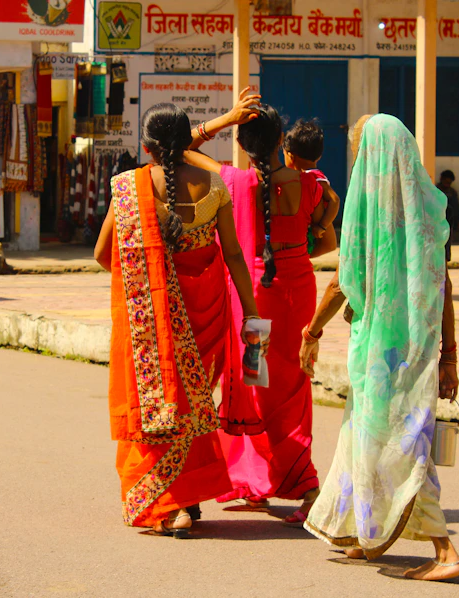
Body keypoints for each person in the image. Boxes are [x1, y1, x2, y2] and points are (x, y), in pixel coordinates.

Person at [300, 114, 459, 582]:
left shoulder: (367, 216)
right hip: (413, 353)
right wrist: (448, 355)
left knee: (400, 447)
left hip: (379, 355)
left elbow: (341, 284)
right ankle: (359, 530)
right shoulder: (430, 212)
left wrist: (311, 332)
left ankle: (445, 550)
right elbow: (443, 285)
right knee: (369, 436)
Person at [93, 103, 261, 538]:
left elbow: (100, 254)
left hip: (154, 317)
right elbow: (235, 255)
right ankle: (190, 495)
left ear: (146, 147)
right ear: (187, 140)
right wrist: (253, 310)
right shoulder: (215, 186)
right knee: (194, 404)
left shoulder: (129, 187)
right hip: (206, 309)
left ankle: (173, 506)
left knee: (160, 403)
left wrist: (143, 278)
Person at [191, 100, 338, 527]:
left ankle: (282, 481)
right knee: (292, 386)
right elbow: (327, 241)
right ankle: (285, 479)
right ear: (281, 142)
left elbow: (181, 146)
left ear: (242, 143)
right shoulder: (312, 184)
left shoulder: (233, 180)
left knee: (257, 384)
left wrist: (224, 119)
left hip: (255, 299)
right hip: (298, 290)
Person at [282, 119, 341, 243]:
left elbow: (334, 200)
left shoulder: (314, 177)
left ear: (290, 155)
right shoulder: (307, 175)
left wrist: (322, 226)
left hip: (313, 233)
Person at [437, 170, 459, 262]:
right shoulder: (436, 190)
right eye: (446, 182)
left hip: (450, 218)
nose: (447, 185)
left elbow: (456, 208)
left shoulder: (452, 192)